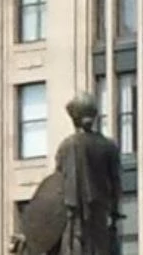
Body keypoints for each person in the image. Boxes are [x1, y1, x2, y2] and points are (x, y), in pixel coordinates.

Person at [56, 94, 121, 255]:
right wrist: (114, 211)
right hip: (100, 216)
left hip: (75, 220)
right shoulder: (109, 146)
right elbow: (116, 183)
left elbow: (59, 183)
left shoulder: (68, 145)